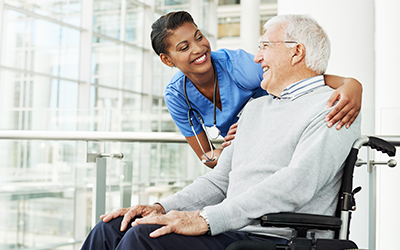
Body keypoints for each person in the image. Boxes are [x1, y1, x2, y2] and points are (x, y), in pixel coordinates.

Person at [80, 14, 362, 250]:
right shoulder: (255, 108)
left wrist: (207, 218)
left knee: (145, 238)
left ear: (296, 52)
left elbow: (296, 185)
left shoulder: (334, 107)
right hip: (231, 226)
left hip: (272, 237)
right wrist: (161, 208)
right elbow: (219, 182)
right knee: (112, 229)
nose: (257, 57)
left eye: (264, 46)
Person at [151, 11, 362, 168]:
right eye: (184, 47)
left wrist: (349, 84)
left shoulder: (240, 67)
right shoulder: (177, 95)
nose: (199, 48)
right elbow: (207, 156)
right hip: (239, 162)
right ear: (167, 60)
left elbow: (300, 77)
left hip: (279, 147)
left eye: (198, 37)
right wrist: (233, 147)